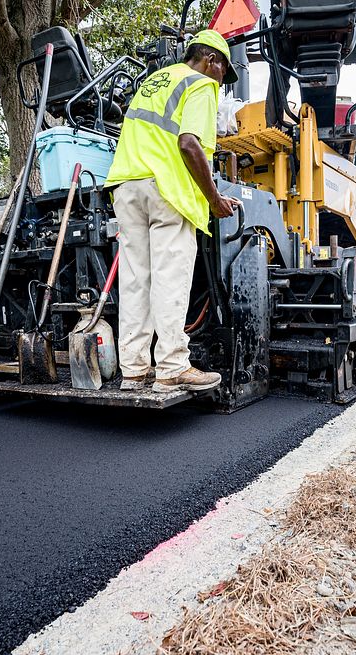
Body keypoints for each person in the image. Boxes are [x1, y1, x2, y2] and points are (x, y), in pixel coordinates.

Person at [104, 30, 241, 393]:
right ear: (212, 60)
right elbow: (188, 143)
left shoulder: (154, 80)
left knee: (135, 281)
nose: (221, 82)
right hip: (168, 191)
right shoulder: (201, 84)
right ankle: (172, 366)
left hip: (127, 184)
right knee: (169, 279)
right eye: (223, 72)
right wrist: (213, 198)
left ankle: (133, 369)